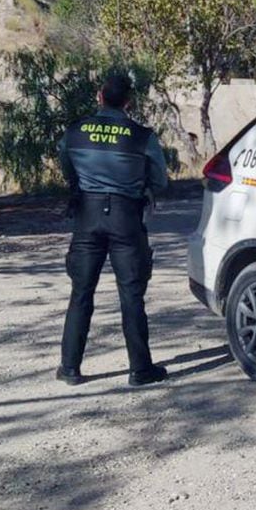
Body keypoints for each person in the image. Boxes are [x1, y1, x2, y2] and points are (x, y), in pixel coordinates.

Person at [56, 70, 170, 387]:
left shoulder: (75, 132)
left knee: (81, 293)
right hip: (126, 217)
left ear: (99, 97)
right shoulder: (142, 136)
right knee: (131, 295)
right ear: (128, 102)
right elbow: (160, 180)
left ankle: (69, 368)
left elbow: (66, 168)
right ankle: (139, 369)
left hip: (87, 217)